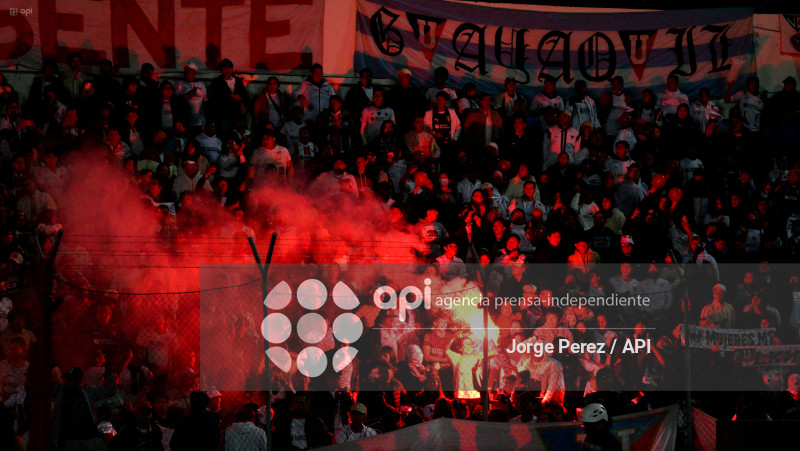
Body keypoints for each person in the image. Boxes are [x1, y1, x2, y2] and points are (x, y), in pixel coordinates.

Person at [174, 63, 207, 137]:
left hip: (199, 122)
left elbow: (205, 102)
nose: (186, 72)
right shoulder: (179, 84)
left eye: (189, 70)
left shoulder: (201, 84)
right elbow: (174, 102)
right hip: (185, 123)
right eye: (185, 70)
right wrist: (186, 96)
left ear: (195, 72)